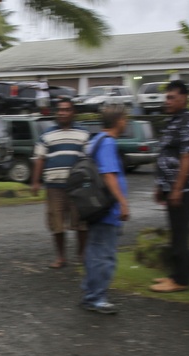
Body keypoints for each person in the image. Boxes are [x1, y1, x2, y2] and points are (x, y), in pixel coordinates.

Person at [151, 80, 189, 293]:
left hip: (183, 189)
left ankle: (181, 280)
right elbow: (166, 154)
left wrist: (177, 189)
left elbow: (187, 158)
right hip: (169, 186)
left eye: (172, 97)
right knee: (174, 232)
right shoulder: (174, 121)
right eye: (167, 97)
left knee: (181, 234)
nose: (168, 101)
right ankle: (174, 274)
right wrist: (160, 186)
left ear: (184, 98)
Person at [31, 97, 92, 269]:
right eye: (60, 110)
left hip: (78, 187)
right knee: (56, 222)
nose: (62, 113)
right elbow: (39, 159)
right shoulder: (47, 135)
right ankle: (61, 257)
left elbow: (89, 160)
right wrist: (35, 182)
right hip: (54, 187)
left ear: (73, 112)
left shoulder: (84, 134)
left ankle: (82, 255)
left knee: (81, 223)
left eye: (66, 109)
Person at [81, 105, 131, 314]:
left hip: (96, 208)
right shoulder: (108, 143)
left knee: (94, 252)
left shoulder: (96, 140)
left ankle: (90, 294)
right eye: (125, 119)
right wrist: (122, 202)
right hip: (107, 210)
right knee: (105, 255)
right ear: (118, 121)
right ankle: (96, 298)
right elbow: (109, 174)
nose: (126, 122)